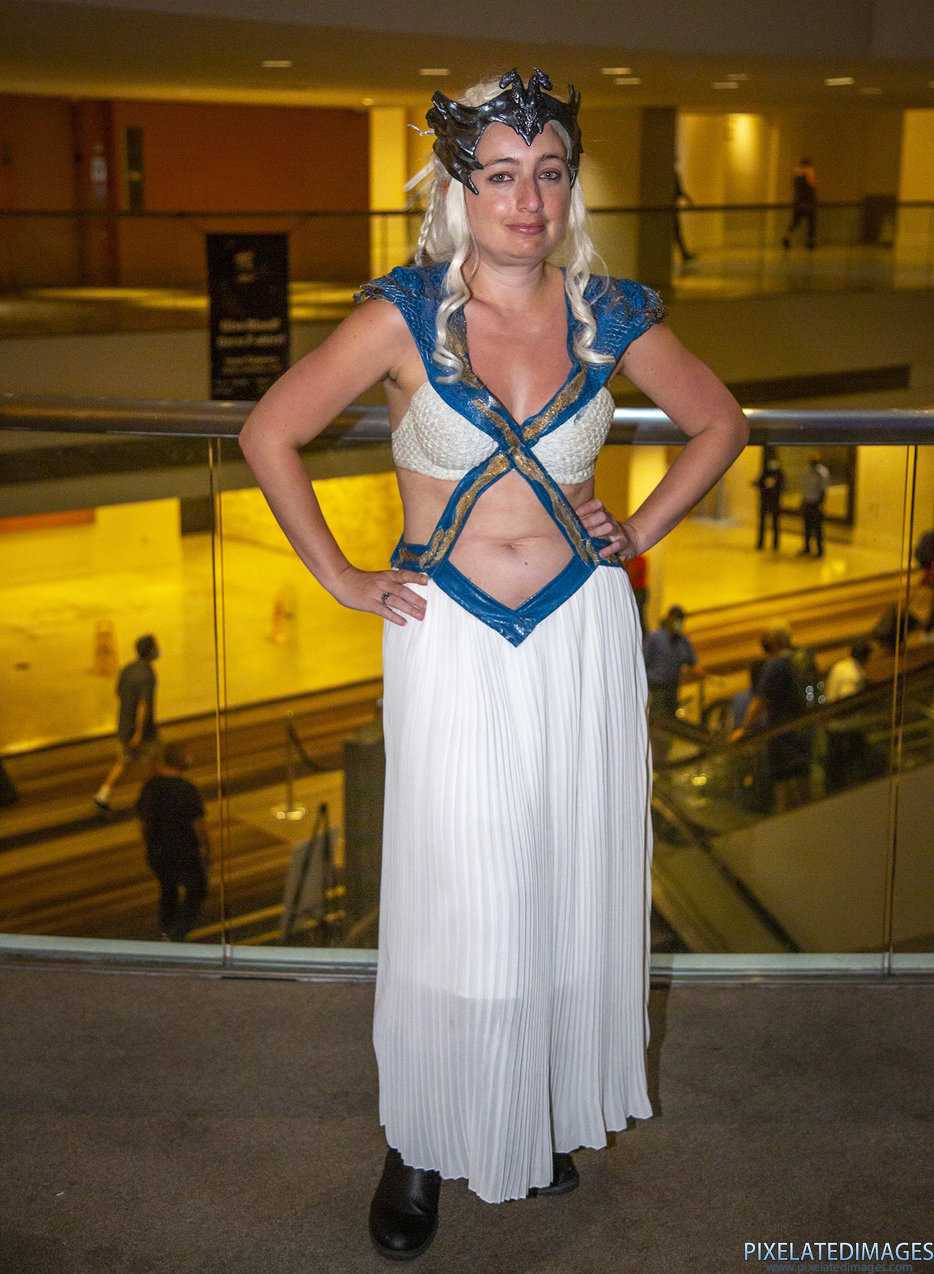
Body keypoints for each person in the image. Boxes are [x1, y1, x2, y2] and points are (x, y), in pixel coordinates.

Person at [238, 68, 747, 1256]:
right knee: (458, 890)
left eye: (549, 172)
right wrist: (340, 573)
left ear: (571, 186)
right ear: (458, 188)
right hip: (450, 632)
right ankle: (419, 1138)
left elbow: (719, 422)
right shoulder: (403, 314)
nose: (529, 199)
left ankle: (535, 1105)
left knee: (563, 874)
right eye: (503, 174)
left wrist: (641, 528)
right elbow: (269, 431)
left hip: (580, 629)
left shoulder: (609, 312)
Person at [730, 624, 812, 811]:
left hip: (781, 732)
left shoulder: (775, 665)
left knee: (782, 782)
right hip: (804, 727)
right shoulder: (804, 655)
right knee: (803, 778)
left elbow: (760, 701)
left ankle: (786, 818)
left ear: (775, 642)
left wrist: (744, 728)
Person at [135, 742, 210, 941]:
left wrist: (148, 846)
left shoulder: (150, 786)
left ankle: (166, 930)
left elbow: (143, 821)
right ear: (179, 761)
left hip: (159, 850)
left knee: (168, 890)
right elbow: (198, 824)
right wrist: (206, 848)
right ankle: (178, 932)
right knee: (197, 889)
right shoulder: (187, 789)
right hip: (185, 850)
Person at [93, 633, 160, 812]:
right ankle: (153, 798)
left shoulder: (128, 669)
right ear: (151, 651)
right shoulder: (148, 674)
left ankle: (102, 795)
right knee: (155, 759)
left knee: (124, 762)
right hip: (142, 729)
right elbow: (143, 705)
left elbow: (118, 692)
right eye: (156, 647)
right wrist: (139, 731)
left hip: (124, 725)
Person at [824, 638, 873, 794]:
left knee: (835, 771)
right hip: (846, 730)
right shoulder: (853, 675)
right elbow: (848, 701)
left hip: (833, 728)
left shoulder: (840, 666)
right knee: (849, 771)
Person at [643, 605, 705, 719]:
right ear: (669, 619)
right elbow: (644, 662)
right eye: (676, 620)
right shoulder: (655, 638)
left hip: (673, 687)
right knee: (659, 717)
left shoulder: (683, 641)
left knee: (670, 718)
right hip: (656, 687)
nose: (678, 624)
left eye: (680, 621)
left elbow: (692, 662)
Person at [798, 451, 830, 558]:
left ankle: (820, 550)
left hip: (816, 503)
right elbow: (805, 488)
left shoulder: (822, 472)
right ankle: (807, 548)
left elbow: (824, 489)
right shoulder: (808, 471)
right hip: (807, 501)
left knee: (817, 528)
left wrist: (821, 503)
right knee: (806, 527)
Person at [782, 157, 817, 250]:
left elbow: (793, 185)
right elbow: (811, 183)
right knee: (811, 221)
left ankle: (787, 237)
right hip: (808, 201)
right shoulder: (809, 170)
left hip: (798, 200)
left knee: (795, 221)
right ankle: (810, 241)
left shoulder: (796, 171)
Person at [753, 449, 784, 551]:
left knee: (774, 524)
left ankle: (774, 544)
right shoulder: (766, 472)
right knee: (765, 523)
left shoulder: (778, 473)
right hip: (767, 500)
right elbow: (759, 483)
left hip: (773, 501)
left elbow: (782, 485)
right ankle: (763, 543)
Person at [624, 550, 649, 636]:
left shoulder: (640, 560)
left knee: (638, 616)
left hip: (638, 591)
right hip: (632, 590)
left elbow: (632, 574)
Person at [673, 168, 696, 263]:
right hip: (669, 208)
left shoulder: (673, 174)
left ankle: (684, 254)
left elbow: (679, 191)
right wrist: (688, 199)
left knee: (676, 231)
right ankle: (684, 254)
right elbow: (679, 191)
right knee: (676, 231)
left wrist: (687, 199)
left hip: (671, 208)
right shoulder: (672, 174)